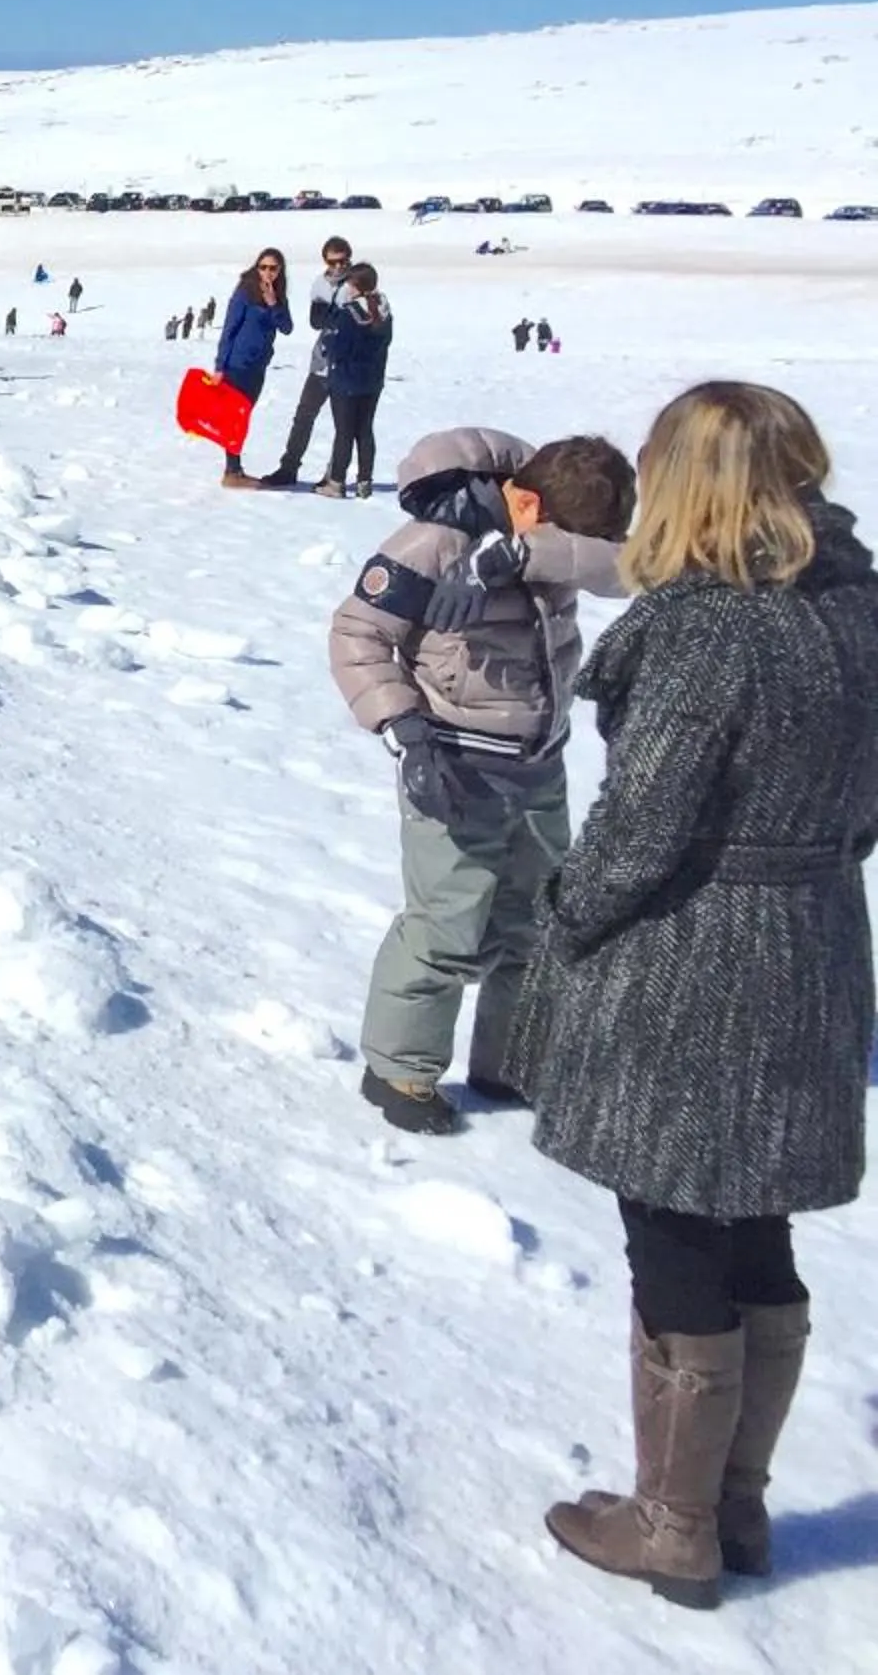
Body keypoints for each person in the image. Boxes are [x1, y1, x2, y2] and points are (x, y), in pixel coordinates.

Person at [508, 384, 877, 1609]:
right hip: (813, 941)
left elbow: (641, 827)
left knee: (673, 1221)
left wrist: (565, 921)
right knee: (753, 1217)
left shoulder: (712, 630)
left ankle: (676, 1524)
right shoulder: (856, 603)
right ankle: (736, 1505)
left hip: (693, 956)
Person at [330, 432, 636, 1136]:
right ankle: (400, 1070)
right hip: (452, 763)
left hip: (538, 761)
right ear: (524, 499)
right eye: (557, 535)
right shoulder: (432, 545)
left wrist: (523, 552)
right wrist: (401, 728)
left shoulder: (546, 523)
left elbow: (625, 570)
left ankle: (511, 1060)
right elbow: (356, 635)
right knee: (447, 923)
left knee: (535, 918)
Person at [260, 235, 357, 487]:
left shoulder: (356, 284)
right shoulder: (320, 284)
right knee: (304, 416)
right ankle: (288, 467)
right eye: (333, 262)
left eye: (343, 261)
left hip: (346, 365)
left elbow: (355, 321)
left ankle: (334, 476)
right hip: (321, 362)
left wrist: (336, 315)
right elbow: (316, 320)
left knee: (343, 425)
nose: (338, 267)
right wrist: (334, 315)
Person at [211, 249, 294, 486]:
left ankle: (234, 469)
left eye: (273, 268)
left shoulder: (278, 295)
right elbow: (230, 328)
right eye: (263, 267)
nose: (268, 272)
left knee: (243, 416)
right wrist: (220, 366)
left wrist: (274, 304)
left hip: (258, 367)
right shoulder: (245, 292)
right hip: (237, 364)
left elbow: (287, 327)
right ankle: (232, 470)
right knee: (235, 416)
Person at [313, 262, 393, 499]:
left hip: (347, 380)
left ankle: (336, 481)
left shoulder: (350, 313)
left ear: (355, 286)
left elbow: (341, 347)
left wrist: (330, 346)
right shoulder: (384, 310)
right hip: (373, 380)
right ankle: (364, 481)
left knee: (344, 432)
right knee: (365, 430)